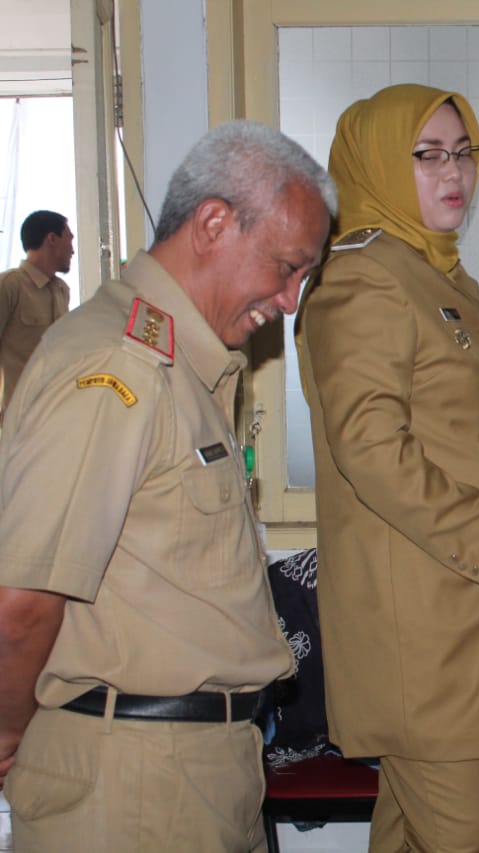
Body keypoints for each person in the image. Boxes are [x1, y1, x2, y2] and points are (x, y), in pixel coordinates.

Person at [0, 120, 335, 851]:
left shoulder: (182, 363)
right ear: (213, 224)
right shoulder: (119, 366)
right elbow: (22, 604)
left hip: (200, 768)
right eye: (286, 268)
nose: (290, 300)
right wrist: (12, 736)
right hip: (134, 782)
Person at [296, 84, 479, 852]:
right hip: (422, 640)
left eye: (463, 152)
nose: (454, 172)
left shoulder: (434, 271)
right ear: (380, 165)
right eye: (426, 156)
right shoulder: (361, 279)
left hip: (465, 618)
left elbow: (465, 426)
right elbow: (371, 450)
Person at [0, 209, 75, 416]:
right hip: (18, 419)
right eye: (69, 239)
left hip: (55, 414)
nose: (72, 250)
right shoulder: (9, 286)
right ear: (52, 239)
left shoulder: (62, 290)